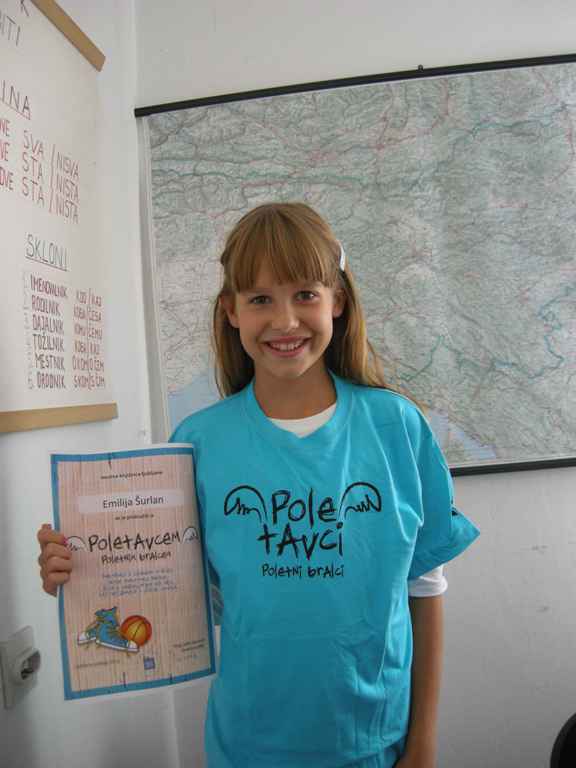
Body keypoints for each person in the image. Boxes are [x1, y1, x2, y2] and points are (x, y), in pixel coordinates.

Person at [38, 202, 480, 768]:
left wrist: (422, 745)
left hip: (375, 745)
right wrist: (83, 570)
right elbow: (179, 595)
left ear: (337, 301)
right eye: (260, 299)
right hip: (246, 746)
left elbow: (424, 586)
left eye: (305, 294)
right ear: (231, 311)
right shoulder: (197, 444)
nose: (286, 321)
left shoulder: (397, 427)